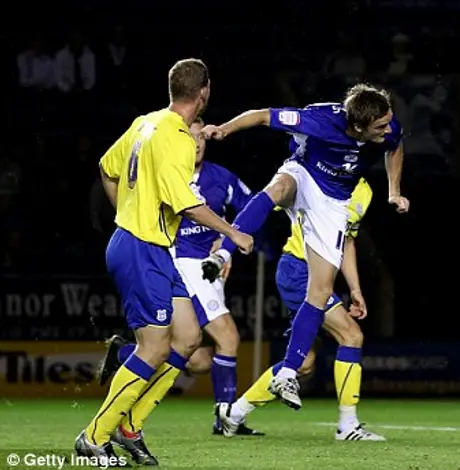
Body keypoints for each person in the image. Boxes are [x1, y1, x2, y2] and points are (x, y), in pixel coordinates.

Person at [74, 58, 254, 466]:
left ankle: (130, 426)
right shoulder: (175, 137)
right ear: (203, 92)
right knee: (153, 347)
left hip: (149, 245)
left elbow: (107, 167)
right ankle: (94, 437)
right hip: (141, 246)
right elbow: (187, 203)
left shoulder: (146, 121)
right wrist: (233, 232)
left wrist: (126, 212)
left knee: (188, 338)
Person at [200, 83, 408, 410]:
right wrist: (224, 130)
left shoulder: (386, 125)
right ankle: (224, 250)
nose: (388, 128)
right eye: (380, 126)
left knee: (321, 291)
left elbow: (395, 146)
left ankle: (287, 373)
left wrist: (393, 190)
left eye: (388, 121)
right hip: (304, 174)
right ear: (357, 127)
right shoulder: (320, 120)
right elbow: (262, 116)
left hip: (332, 202)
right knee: (280, 185)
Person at [95, 117, 263, 437]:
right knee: (228, 336)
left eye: (202, 137)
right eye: (191, 136)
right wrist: (229, 234)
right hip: (180, 262)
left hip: (208, 267)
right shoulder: (166, 169)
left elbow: (253, 210)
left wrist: (225, 244)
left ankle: (125, 355)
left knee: (197, 358)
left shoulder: (222, 178)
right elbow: (186, 206)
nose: (197, 142)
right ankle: (226, 418)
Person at [216, 177, 386, 441]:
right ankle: (348, 425)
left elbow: (347, 241)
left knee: (304, 363)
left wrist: (355, 289)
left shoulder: (364, 190)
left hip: (318, 274)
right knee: (351, 335)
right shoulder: (316, 174)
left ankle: (234, 414)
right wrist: (226, 238)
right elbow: (264, 201)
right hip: (298, 270)